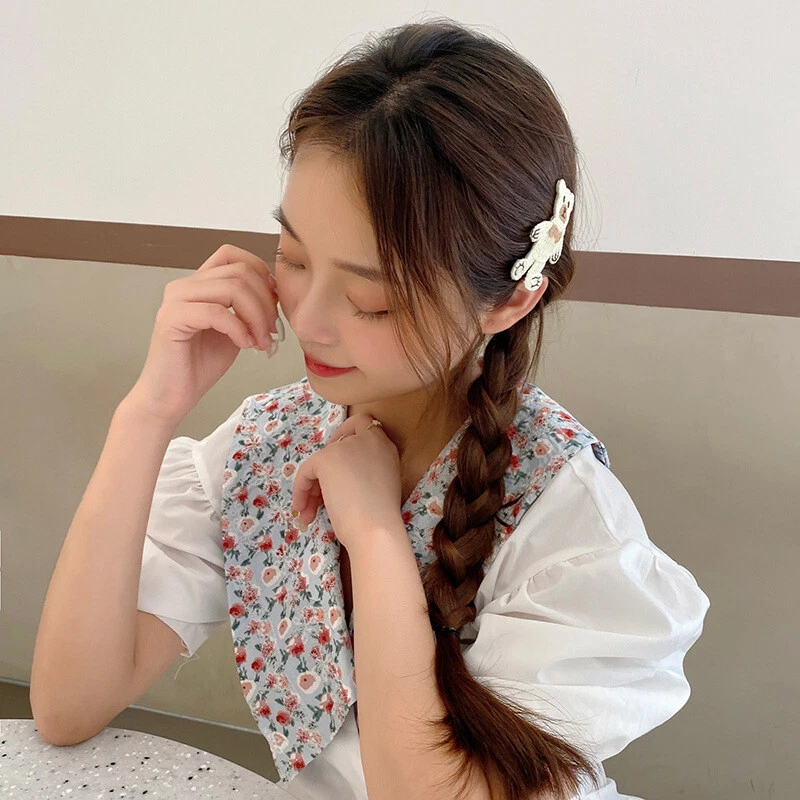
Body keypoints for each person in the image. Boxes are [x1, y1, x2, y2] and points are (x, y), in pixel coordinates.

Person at [32, 18, 710, 800]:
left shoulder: (566, 525)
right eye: (292, 257)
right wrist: (149, 412)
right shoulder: (270, 442)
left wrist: (376, 536)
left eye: (372, 300)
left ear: (509, 300)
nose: (310, 320)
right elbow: (66, 705)